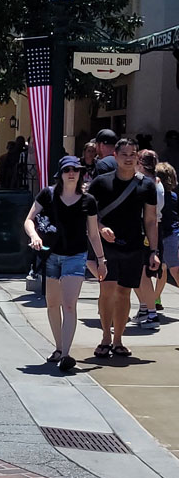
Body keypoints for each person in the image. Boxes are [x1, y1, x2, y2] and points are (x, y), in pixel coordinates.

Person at [24, 157, 106, 370]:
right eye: (67, 169)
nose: (72, 173)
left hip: (76, 256)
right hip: (51, 255)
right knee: (52, 304)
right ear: (60, 173)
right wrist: (34, 236)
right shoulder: (48, 194)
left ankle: (67, 355)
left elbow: (93, 234)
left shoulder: (88, 200)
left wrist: (101, 260)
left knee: (69, 304)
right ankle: (59, 347)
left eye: (76, 170)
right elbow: (29, 219)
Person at [88, 137, 160, 360]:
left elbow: (150, 220)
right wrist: (101, 228)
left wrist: (154, 251)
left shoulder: (146, 185)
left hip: (133, 245)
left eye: (133, 155)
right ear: (115, 157)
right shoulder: (100, 183)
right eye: (124, 154)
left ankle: (118, 339)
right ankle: (105, 338)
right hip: (106, 246)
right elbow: (89, 215)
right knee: (107, 291)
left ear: (137, 157)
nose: (128, 159)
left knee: (124, 293)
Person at [134, 150, 165, 327]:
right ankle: (145, 308)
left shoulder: (145, 183)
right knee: (140, 273)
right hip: (153, 228)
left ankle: (151, 313)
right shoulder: (157, 183)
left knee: (143, 273)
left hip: (145, 228)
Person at [155, 162, 179, 308]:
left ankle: (154, 299)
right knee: (162, 268)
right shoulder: (172, 195)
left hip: (169, 235)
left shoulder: (166, 196)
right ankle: (155, 299)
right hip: (164, 235)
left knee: (174, 269)